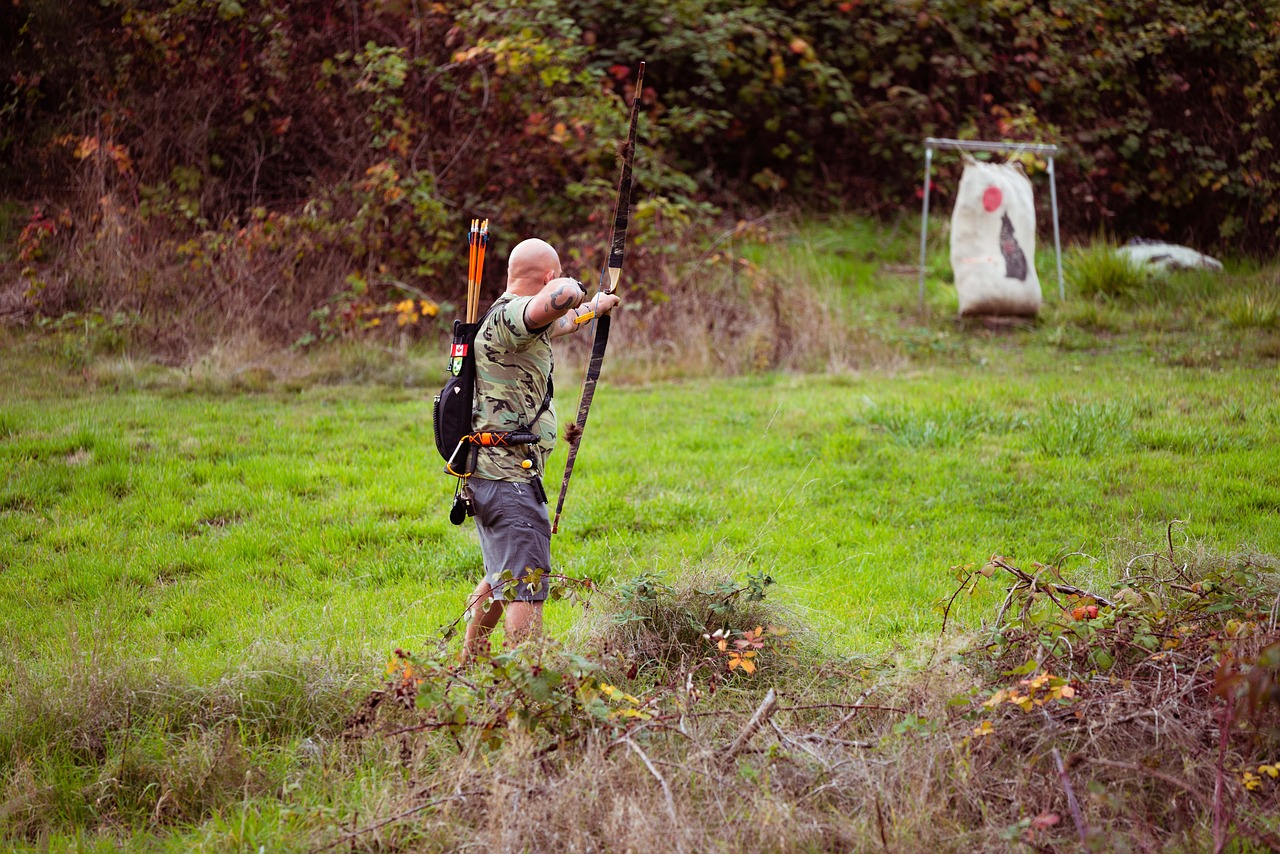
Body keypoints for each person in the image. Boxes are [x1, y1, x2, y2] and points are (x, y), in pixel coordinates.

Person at [459, 237, 619, 663]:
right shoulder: (512, 315)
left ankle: (469, 662)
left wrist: (595, 307)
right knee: (527, 587)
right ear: (548, 276)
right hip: (508, 478)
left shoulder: (510, 319)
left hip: (491, 473)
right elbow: (558, 300)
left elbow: (560, 321)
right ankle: (527, 684)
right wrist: (573, 289)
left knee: (500, 577)